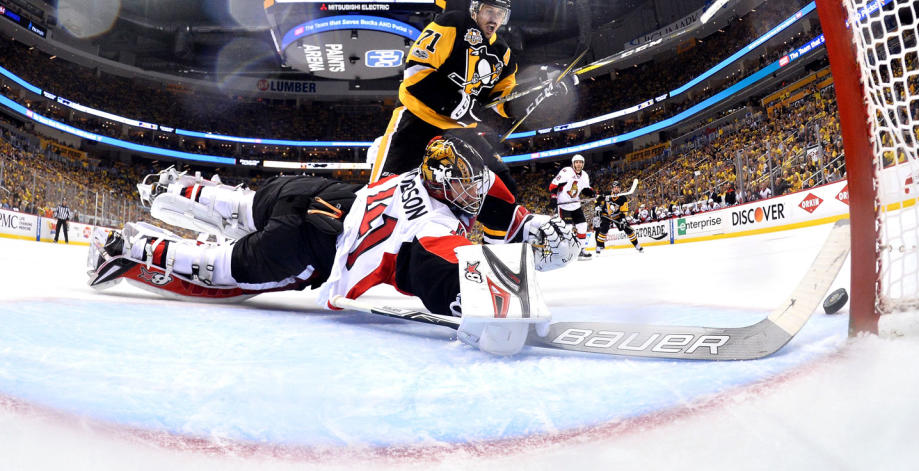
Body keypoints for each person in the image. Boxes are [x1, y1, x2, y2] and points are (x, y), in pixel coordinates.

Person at [88, 135, 579, 322]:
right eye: (467, 186)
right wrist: (527, 273)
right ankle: (125, 249)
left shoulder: (415, 170)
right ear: (445, 184)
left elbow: (490, 193)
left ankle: (170, 188)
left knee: (242, 203)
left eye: (477, 184)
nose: (476, 193)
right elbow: (451, 284)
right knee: (221, 271)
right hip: (313, 247)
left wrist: (527, 224)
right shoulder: (433, 229)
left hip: (312, 193)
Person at [369, 0, 524, 244]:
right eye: (490, 11)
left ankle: (497, 251)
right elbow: (415, 71)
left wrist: (527, 102)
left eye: (500, 14)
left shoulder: (503, 52)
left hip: (459, 131)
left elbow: (501, 97)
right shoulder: (452, 23)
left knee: (501, 186)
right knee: (382, 193)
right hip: (416, 120)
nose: (494, 18)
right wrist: (455, 104)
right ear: (475, 9)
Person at [548, 154, 594, 258]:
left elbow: (586, 190)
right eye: (576, 162)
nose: (578, 164)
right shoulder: (566, 171)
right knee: (567, 228)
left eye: (581, 162)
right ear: (573, 163)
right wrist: (554, 197)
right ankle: (566, 251)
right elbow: (553, 186)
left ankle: (581, 249)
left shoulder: (585, 175)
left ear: (583, 164)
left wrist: (594, 194)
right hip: (564, 205)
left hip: (576, 204)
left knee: (582, 226)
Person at [595, 181, 641, 254]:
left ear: (620, 189)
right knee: (604, 229)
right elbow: (597, 200)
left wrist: (623, 219)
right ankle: (598, 246)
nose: (616, 189)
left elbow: (624, 211)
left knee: (628, 229)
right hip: (606, 215)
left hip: (617, 215)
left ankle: (637, 245)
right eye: (615, 187)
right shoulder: (606, 194)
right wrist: (597, 208)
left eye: (618, 187)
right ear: (612, 189)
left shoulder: (623, 198)